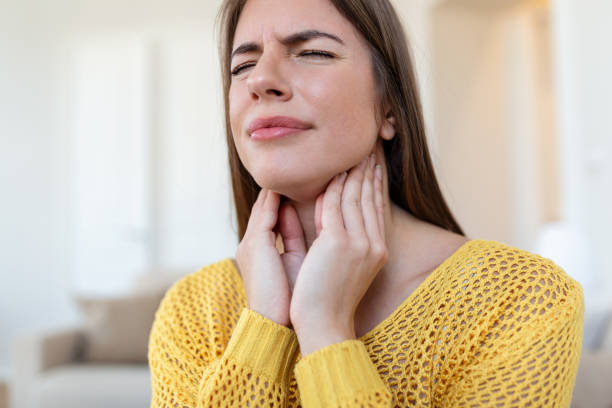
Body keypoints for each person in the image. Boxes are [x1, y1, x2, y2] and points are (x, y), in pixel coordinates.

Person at [148, 0, 584, 406]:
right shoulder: (192, 310)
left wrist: (324, 327)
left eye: (312, 53)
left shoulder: (521, 299)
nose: (260, 80)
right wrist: (263, 325)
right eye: (243, 65)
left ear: (390, 107)